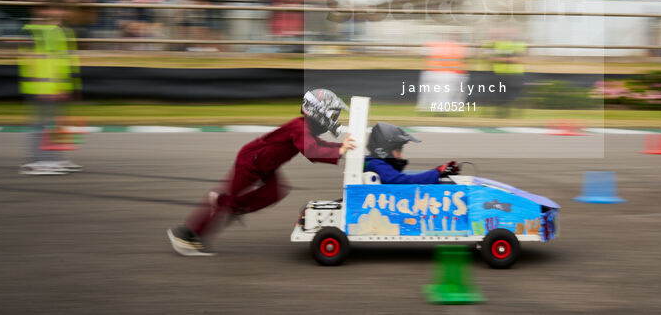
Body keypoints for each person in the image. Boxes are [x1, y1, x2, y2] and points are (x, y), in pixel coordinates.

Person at [167, 89, 356, 256]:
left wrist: (342, 147)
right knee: (224, 202)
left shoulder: (303, 128)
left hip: (264, 165)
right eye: (333, 114)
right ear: (319, 111)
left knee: (274, 192)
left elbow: (317, 145)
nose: (334, 119)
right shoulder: (300, 127)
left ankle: (232, 205)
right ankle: (186, 236)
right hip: (251, 163)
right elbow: (311, 151)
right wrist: (339, 150)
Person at [18, 4, 82, 176]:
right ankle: (41, 161)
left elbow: (63, 61)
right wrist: (45, 87)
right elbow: (33, 61)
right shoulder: (37, 32)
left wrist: (68, 86)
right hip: (44, 88)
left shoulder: (59, 31)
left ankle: (54, 158)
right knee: (43, 125)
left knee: (56, 125)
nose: (63, 11)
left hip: (56, 87)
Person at [364, 122, 460, 184]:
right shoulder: (376, 165)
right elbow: (403, 181)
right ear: (384, 150)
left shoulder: (371, 162)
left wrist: (437, 171)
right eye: (398, 150)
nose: (400, 155)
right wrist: (437, 173)